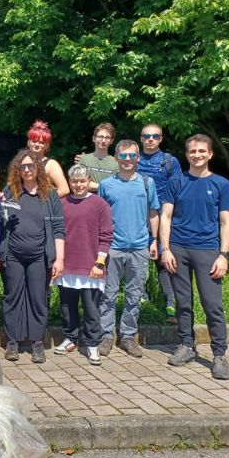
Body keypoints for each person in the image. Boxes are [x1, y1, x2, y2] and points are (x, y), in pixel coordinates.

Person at [160, 134, 229, 380]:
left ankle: (220, 355)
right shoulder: (176, 182)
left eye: (202, 151)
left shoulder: (221, 184)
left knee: (212, 305)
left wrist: (223, 255)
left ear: (210, 154)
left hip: (207, 251)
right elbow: (166, 217)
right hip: (178, 249)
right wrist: (166, 249)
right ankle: (186, 345)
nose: (197, 155)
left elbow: (225, 222)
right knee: (183, 302)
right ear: (187, 154)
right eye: (192, 151)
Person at [0, 149, 65, 364]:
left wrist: (60, 258)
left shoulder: (50, 195)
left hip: (40, 256)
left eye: (30, 166)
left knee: (38, 298)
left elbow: (58, 228)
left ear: (38, 168)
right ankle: (13, 341)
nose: (26, 170)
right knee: (13, 297)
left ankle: (37, 342)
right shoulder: (9, 191)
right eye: (22, 167)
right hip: (13, 255)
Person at [97, 139, 160, 358]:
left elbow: (153, 212)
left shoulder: (146, 183)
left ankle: (127, 336)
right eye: (122, 156)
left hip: (140, 247)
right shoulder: (106, 185)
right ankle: (106, 336)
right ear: (116, 158)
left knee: (134, 295)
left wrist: (155, 240)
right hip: (113, 247)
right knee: (108, 294)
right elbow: (100, 217)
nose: (127, 160)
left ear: (137, 158)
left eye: (131, 156)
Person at [52, 165, 113, 366]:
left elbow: (106, 236)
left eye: (82, 181)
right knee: (67, 307)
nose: (78, 185)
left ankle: (92, 344)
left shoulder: (100, 204)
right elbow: (56, 234)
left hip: (91, 267)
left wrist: (99, 262)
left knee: (91, 309)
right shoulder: (61, 203)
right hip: (67, 266)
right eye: (75, 181)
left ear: (89, 181)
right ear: (69, 182)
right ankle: (70, 338)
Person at [137, 123, 183, 323]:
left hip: (164, 217)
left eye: (155, 136)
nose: (150, 139)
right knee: (138, 261)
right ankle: (140, 299)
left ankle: (171, 303)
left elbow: (179, 190)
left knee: (164, 261)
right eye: (147, 136)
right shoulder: (132, 158)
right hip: (137, 216)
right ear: (141, 138)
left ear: (161, 138)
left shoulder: (170, 161)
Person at [24, 120, 69, 198]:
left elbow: (64, 189)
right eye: (34, 141)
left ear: (47, 146)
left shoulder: (51, 164)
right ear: (29, 142)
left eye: (41, 142)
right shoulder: (22, 162)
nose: (37, 145)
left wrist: (47, 202)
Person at [78, 123, 118, 192]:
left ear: (111, 141)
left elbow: (117, 186)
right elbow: (81, 184)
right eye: (100, 137)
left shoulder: (116, 162)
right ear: (94, 138)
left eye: (107, 137)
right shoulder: (84, 159)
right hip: (88, 200)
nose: (103, 140)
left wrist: (92, 185)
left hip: (108, 201)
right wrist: (105, 187)